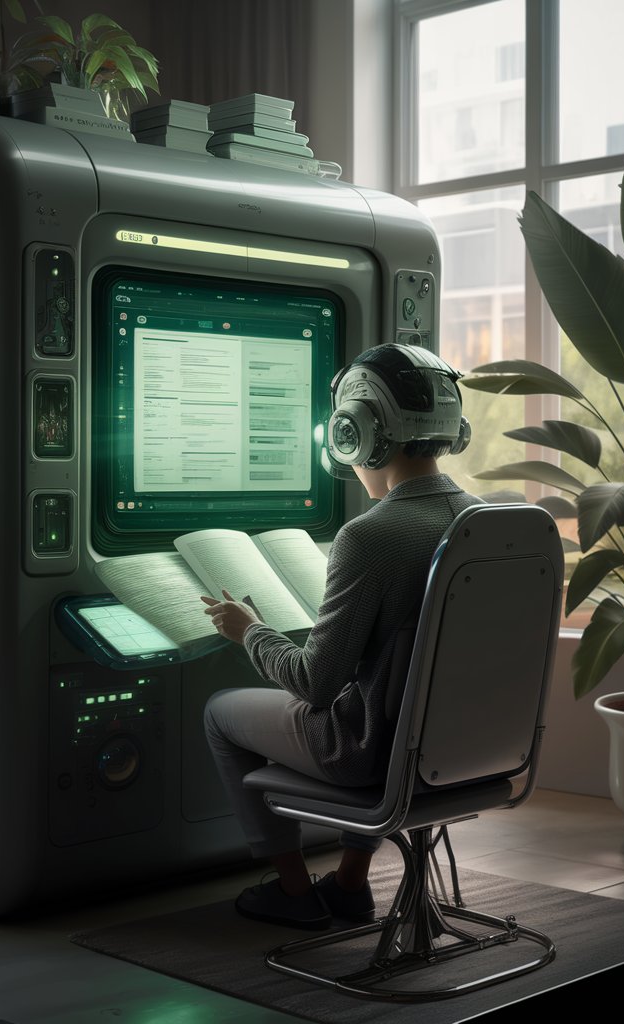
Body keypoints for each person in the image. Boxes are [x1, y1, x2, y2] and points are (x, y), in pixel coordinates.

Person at [201, 342, 478, 930]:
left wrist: (249, 631)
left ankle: (295, 891)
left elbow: (316, 683)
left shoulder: (369, 536)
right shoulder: (482, 522)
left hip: (367, 754)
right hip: (464, 753)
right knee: (384, 702)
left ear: (356, 434)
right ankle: (350, 886)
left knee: (221, 713)